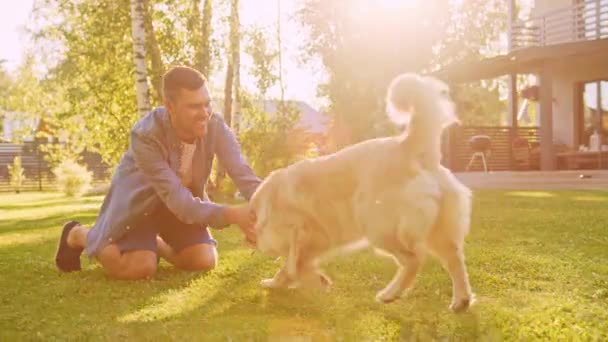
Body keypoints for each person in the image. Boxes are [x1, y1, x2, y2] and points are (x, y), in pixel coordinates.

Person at [54, 66, 261, 280]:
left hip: (176, 208)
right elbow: (179, 201)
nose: (205, 113)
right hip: (138, 207)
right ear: (170, 106)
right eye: (194, 106)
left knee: (203, 260)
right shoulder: (145, 135)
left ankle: (152, 245)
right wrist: (234, 215)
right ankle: (77, 234)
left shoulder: (215, 126)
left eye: (207, 103)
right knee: (140, 268)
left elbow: (244, 175)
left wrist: (271, 207)